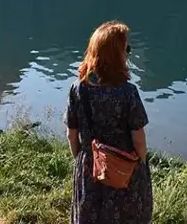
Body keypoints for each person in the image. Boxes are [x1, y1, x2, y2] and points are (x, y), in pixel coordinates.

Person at [64, 20, 152, 223]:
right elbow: (139, 139)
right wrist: (141, 165)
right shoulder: (128, 92)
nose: (128, 54)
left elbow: (71, 134)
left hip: (90, 167)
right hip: (123, 168)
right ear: (115, 55)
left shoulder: (78, 89)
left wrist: (83, 159)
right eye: (126, 49)